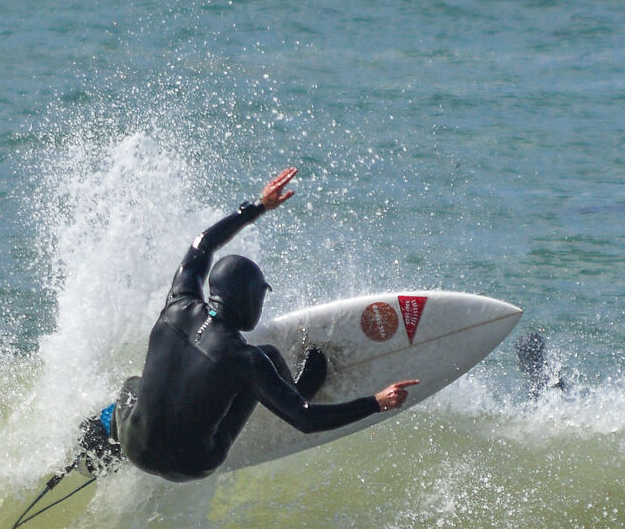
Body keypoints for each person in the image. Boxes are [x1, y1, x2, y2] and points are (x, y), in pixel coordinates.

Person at [89, 168, 417, 483]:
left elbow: (203, 244)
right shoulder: (245, 360)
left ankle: (111, 441)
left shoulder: (177, 302)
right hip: (193, 464)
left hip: (135, 447)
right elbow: (304, 419)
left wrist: (257, 207)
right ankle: (296, 390)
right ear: (247, 298)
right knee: (262, 366)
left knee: (132, 386)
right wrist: (376, 402)